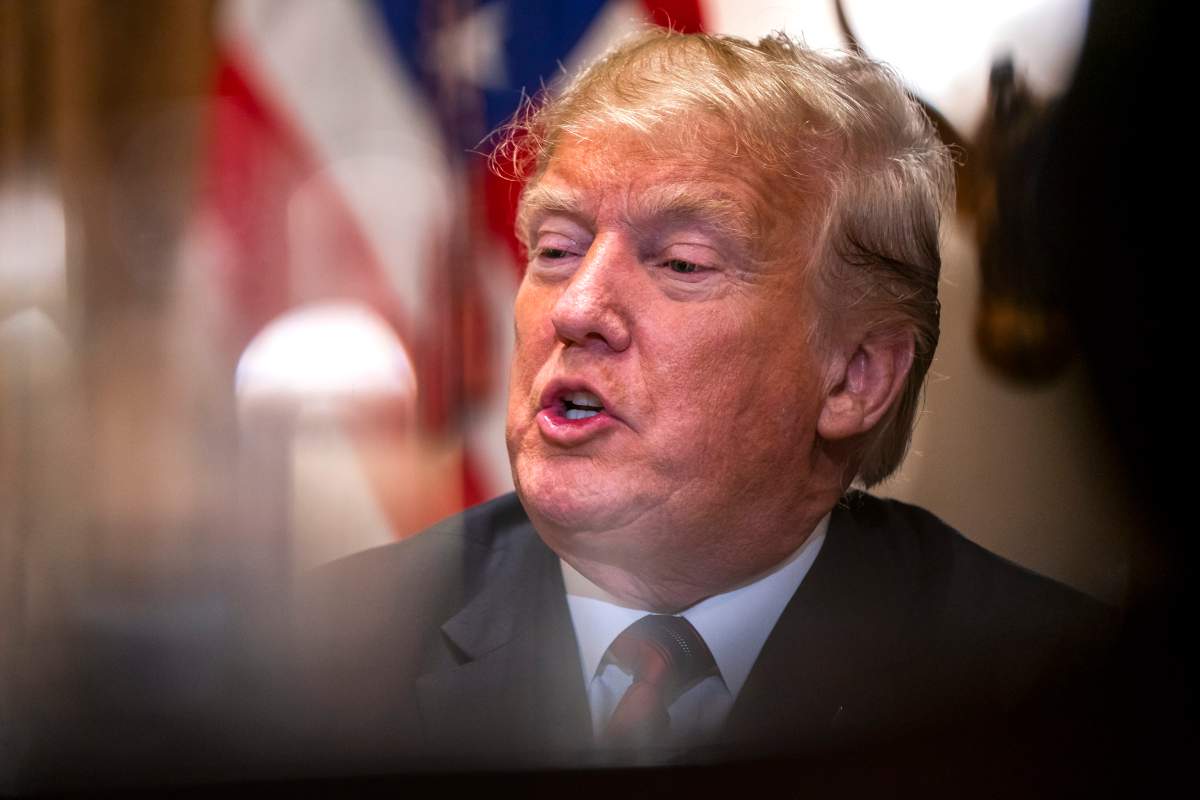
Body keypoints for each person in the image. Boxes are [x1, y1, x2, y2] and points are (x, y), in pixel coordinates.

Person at [288, 29, 1113, 782]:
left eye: (681, 263)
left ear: (854, 378)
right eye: (555, 249)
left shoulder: (1046, 694)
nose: (575, 309)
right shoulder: (326, 660)